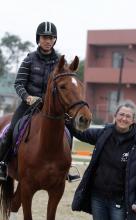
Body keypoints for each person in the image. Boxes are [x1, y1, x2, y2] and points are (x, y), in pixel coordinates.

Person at [0, 21, 80, 182]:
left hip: (52, 108)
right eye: (44, 37)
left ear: (55, 40)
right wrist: (28, 98)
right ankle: (2, 163)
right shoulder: (29, 60)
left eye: (51, 38)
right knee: (11, 128)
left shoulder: (60, 62)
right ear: (38, 39)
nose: (48, 41)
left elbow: (65, 84)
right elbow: (18, 83)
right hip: (29, 105)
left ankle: (65, 169)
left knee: (69, 132)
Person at [70, 101, 136, 220]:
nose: (124, 118)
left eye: (128, 116)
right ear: (115, 116)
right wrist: (65, 119)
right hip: (98, 198)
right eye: (121, 114)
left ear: (133, 120)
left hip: (120, 201)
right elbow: (80, 132)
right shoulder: (103, 133)